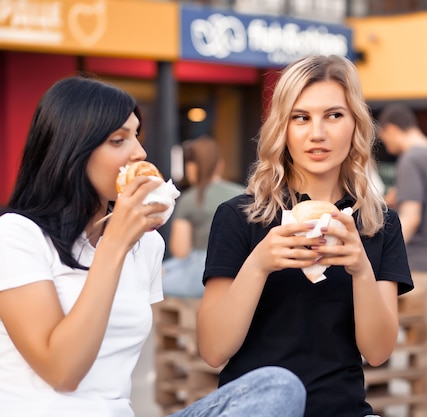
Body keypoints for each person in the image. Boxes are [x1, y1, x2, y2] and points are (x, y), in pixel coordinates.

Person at [0, 75, 306, 417]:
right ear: (72, 150)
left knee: (278, 387)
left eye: (136, 136)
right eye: (118, 140)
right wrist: (114, 244)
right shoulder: (17, 236)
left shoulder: (145, 245)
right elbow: (62, 372)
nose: (139, 152)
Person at [197, 55, 414, 417]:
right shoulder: (240, 216)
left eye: (333, 115)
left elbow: (377, 353)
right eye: (301, 117)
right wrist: (259, 264)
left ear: (355, 124)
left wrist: (361, 269)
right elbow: (213, 350)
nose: (317, 133)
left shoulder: (380, 223)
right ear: (283, 127)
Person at [377, 102, 427, 415]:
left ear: (393, 129)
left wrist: (383, 256)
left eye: (386, 140)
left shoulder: (411, 159)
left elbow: (411, 217)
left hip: (419, 269)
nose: (388, 146)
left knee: (420, 352)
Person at [163, 135, 245, 297]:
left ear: (192, 167)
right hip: (241, 270)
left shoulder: (190, 199)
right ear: (220, 164)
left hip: (202, 274)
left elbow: (181, 250)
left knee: (152, 281)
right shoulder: (244, 193)